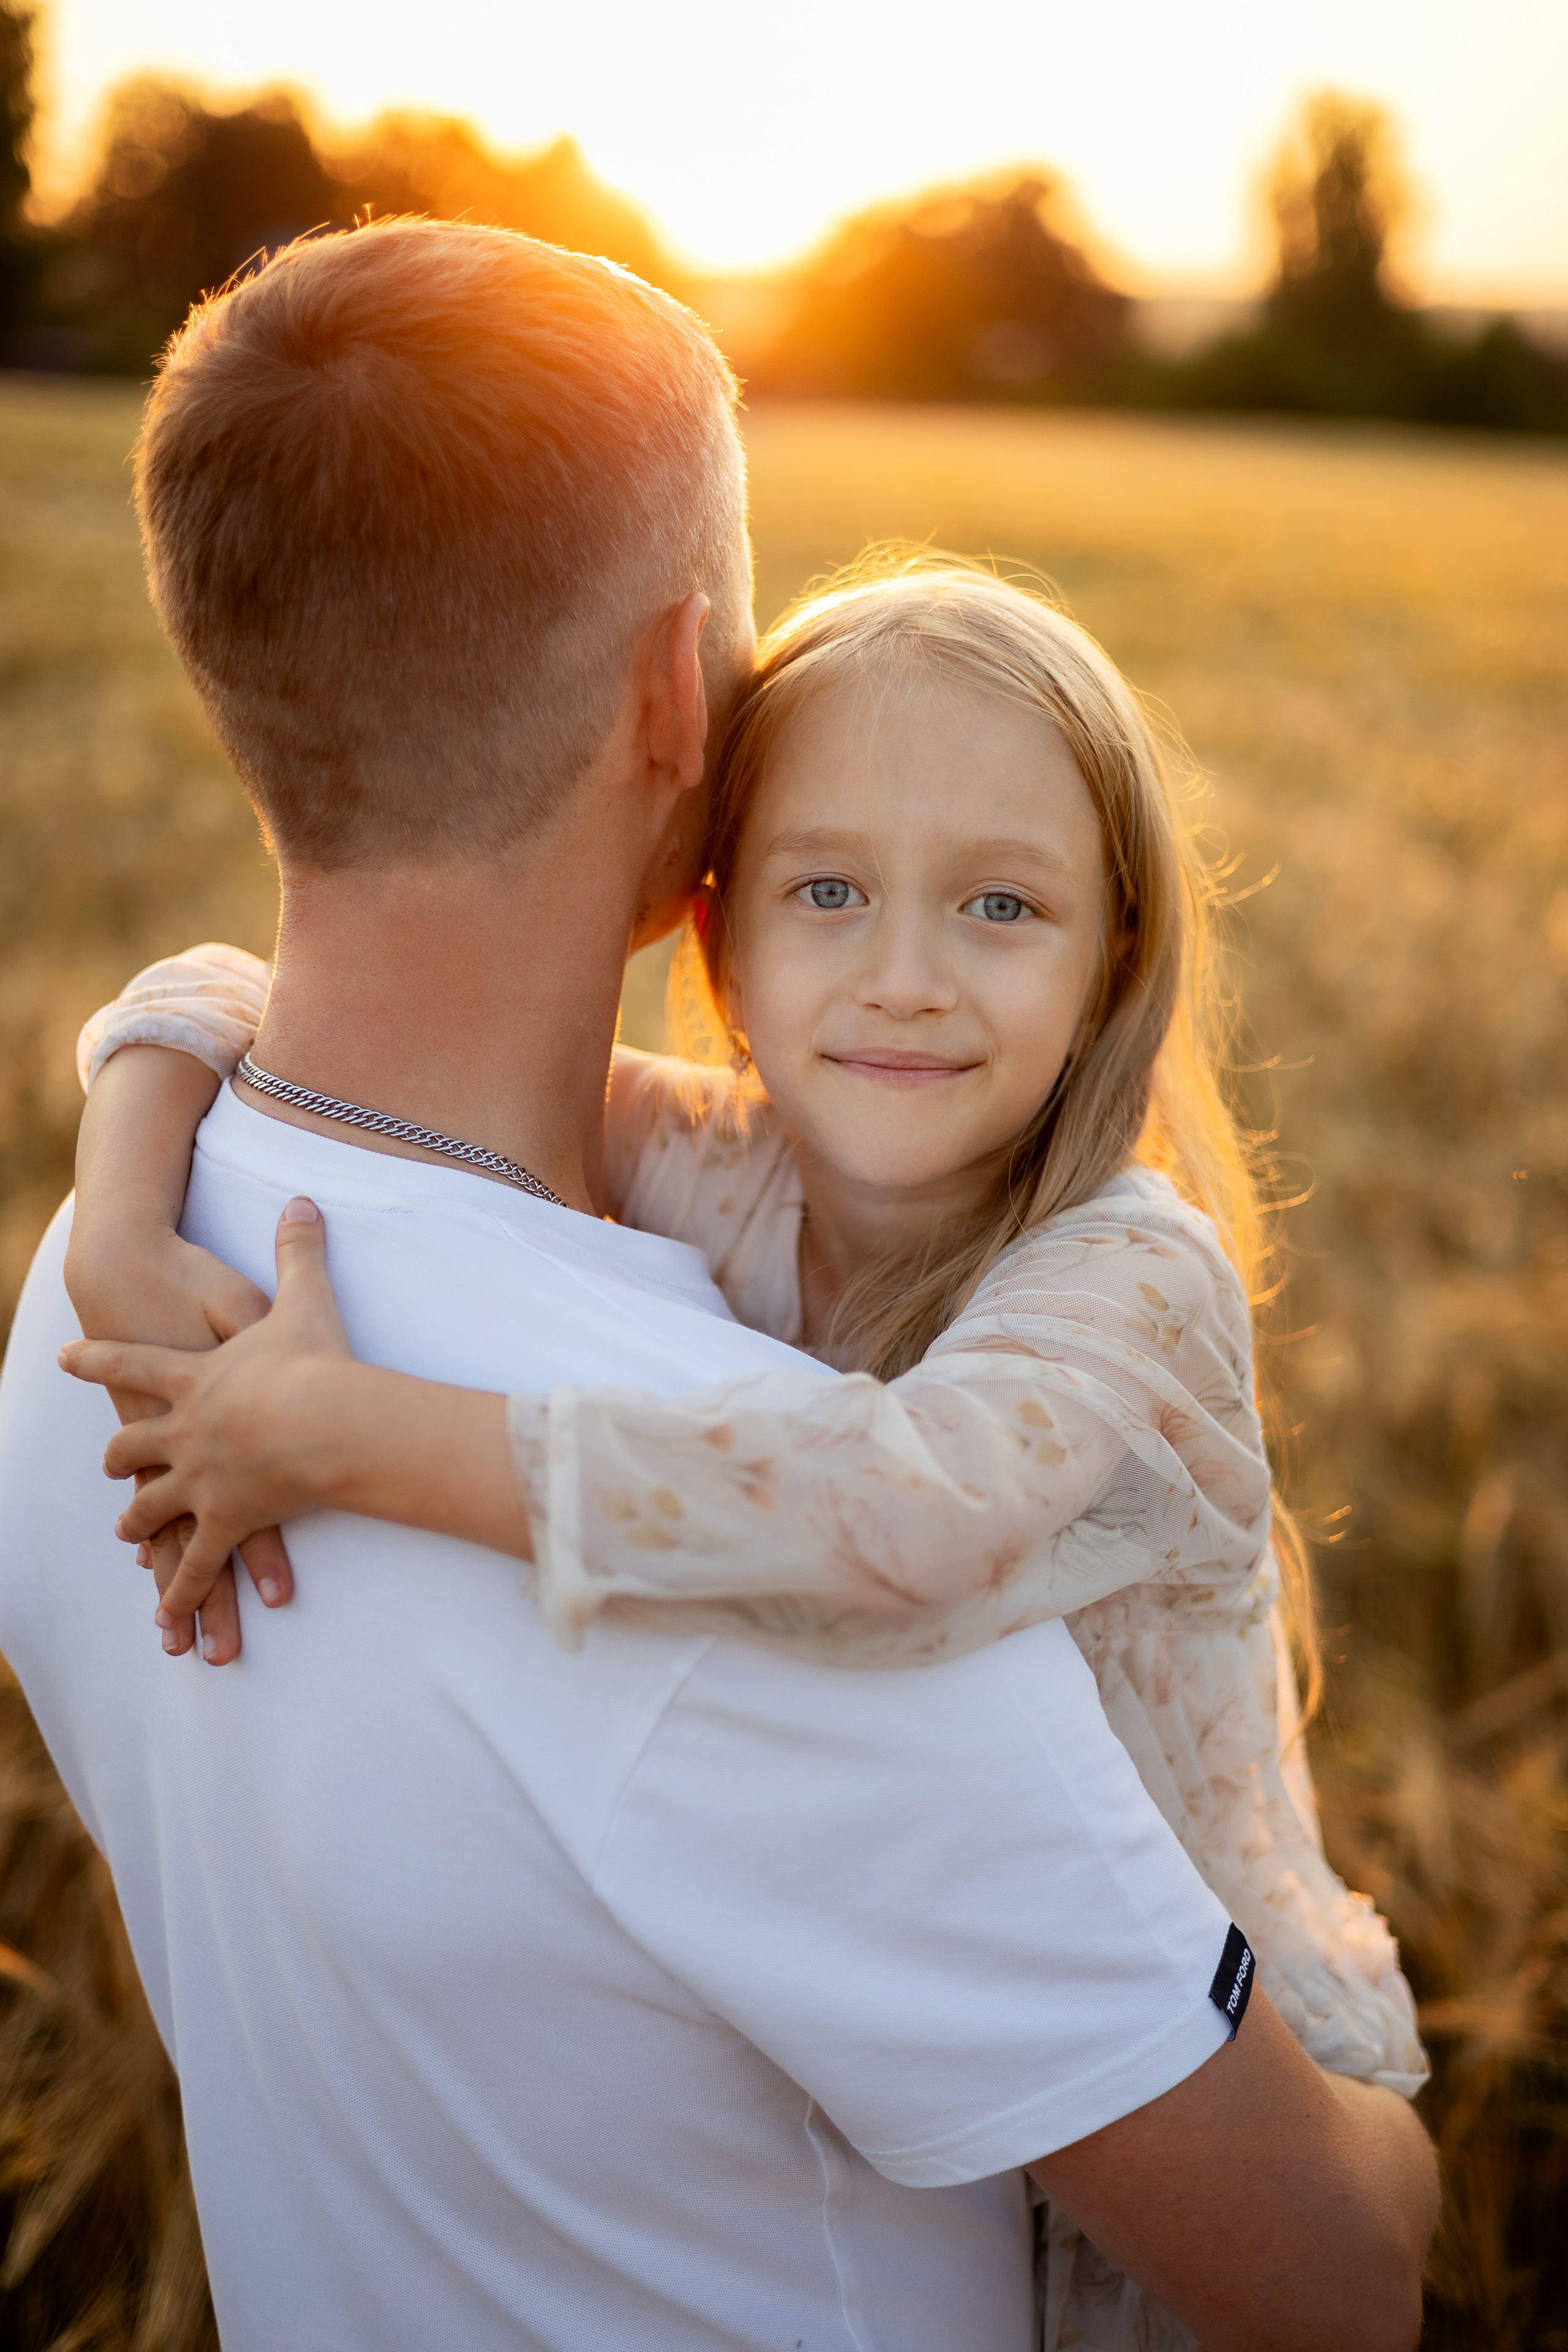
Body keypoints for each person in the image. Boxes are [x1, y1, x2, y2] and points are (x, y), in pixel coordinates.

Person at [0, 220, 1437, 2352]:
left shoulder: (87, 1316)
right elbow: (1334, 2284)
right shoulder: (787, 1564)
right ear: (685, 697)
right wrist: (1400, 2143)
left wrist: (129, 1171)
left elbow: (207, 1004)